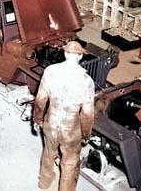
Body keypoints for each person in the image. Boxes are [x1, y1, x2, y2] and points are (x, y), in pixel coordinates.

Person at [33, 41, 95, 191]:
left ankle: (45, 184)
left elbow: (40, 100)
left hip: (50, 125)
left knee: (48, 155)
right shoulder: (86, 81)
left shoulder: (50, 71)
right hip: (71, 132)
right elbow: (87, 115)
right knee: (69, 164)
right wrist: (86, 134)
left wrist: (38, 119)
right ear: (80, 57)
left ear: (65, 53)